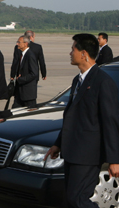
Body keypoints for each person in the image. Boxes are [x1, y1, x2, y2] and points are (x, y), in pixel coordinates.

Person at [45, 33, 119, 208]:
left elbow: (111, 122)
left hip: (88, 155)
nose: (70, 53)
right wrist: (58, 144)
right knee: (70, 200)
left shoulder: (103, 82)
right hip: (72, 152)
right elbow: (72, 116)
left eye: (73, 49)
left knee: (78, 200)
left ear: (84, 53)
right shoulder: (77, 80)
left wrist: (114, 159)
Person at [11, 35, 38, 108]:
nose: (17, 44)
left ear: (25, 44)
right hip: (20, 92)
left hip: (28, 94)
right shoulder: (22, 54)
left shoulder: (30, 55)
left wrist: (21, 79)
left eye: (19, 42)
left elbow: (34, 73)